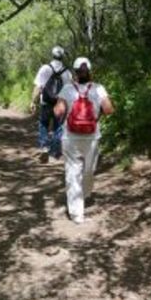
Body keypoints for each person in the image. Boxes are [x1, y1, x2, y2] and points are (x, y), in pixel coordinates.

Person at [52, 57, 114, 223]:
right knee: (88, 171)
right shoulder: (98, 88)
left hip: (70, 137)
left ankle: (76, 213)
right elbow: (109, 110)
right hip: (92, 136)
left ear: (75, 72)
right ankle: (84, 195)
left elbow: (58, 112)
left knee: (73, 172)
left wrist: (58, 106)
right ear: (90, 71)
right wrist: (97, 109)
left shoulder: (66, 89)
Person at [29, 46, 73, 162]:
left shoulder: (45, 68)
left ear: (52, 55)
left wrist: (33, 101)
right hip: (60, 103)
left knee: (43, 123)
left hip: (46, 102)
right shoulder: (67, 72)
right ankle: (54, 152)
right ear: (62, 56)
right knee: (58, 127)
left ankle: (44, 147)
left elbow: (38, 87)